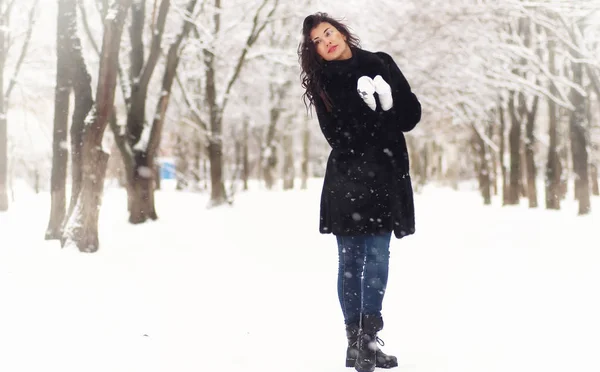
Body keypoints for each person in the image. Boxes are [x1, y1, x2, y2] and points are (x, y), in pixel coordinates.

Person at [298, 12, 422, 372]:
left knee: (378, 257)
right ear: (314, 52)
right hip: (348, 179)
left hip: (386, 175)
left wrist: (388, 101)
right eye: (317, 42)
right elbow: (340, 138)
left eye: (328, 33)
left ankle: (368, 342)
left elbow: (410, 117)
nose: (327, 42)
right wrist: (374, 112)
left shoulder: (380, 63)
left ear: (341, 32)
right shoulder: (322, 83)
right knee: (351, 262)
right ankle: (356, 344)